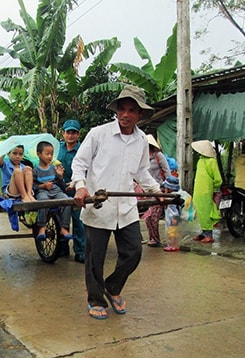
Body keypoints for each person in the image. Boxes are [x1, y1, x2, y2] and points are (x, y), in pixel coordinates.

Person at [72, 85, 162, 320]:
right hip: (98, 204)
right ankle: (95, 299)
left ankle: (112, 287)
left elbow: (142, 171)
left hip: (126, 206)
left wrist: (156, 190)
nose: (125, 114)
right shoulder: (99, 133)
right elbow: (79, 163)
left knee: (133, 251)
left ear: (139, 115)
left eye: (131, 110)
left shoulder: (142, 140)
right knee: (95, 259)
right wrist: (81, 186)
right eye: (122, 109)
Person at [57, 119, 86, 263]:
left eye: (74, 132)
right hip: (59, 188)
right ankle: (62, 248)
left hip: (77, 188)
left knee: (78, 221)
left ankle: (80, 251)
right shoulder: (57, 149)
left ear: (78, 134)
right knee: (61, 219)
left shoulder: (83, 149)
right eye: (68, 132)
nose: (71, 135)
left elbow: (86, 169)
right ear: (63, 133)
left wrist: (76, 183)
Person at [32, 140, 73, 241]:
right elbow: (32, 187)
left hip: (56, 191)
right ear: (38, 154)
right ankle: (42, 227)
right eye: (47, 154)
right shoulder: (35, 170)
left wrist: (60, 176)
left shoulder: (54, 168)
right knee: (43, 201)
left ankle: (64, 228)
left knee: (66, 200)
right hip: (43, 192)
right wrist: (43, 186)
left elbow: (61, 185)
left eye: (51, 154)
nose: (50, 156)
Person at [142, 134, 171, 247]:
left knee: (153, 216)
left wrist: (167, 192)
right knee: (147, 217)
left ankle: (155, 239)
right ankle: (152, 238)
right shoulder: (143, 157)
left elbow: (167, 172)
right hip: (147, 191)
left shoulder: (159, 156)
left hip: (159, 189)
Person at [191, 140, 223, 243]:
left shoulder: (211, 161)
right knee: (199, 211)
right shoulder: (200, 160)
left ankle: (209, 234)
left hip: (206, 191)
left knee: (206, 212)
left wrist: (215, 187)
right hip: (198, 191)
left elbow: (217, 178)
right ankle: (202, 232)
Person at [162, 176, 181, 252]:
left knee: (171, 232)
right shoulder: (178, 195)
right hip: (177, 217)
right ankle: (175, 245)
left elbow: (164, 201)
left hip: (173, 218)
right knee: (175, 232)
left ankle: (172, 246)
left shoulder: (171, 197)